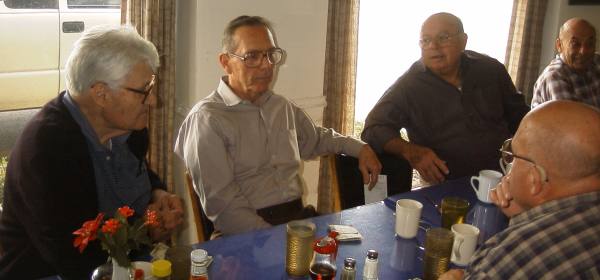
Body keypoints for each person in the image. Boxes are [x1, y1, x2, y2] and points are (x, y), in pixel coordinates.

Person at [0, 25, 184, 279]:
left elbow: (136, 172)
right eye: (144, 90)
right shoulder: (46, 151)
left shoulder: (129, 129)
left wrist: (157, 192)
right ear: (101, 94)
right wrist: (148, 231)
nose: (153, 101)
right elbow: (74, 258)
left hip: (125, 265)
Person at [174, 15, 382, 236]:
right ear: (226, 62)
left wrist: (360, 148)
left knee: (365, 245)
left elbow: (316, 139)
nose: (266, 65)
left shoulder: (280, 106)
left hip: (298, 219)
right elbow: (225, 209)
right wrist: (276, 240)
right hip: (245, 234)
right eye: (252, 56)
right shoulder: (207, 120)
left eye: (270, 55)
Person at [361, 12, 529, 185]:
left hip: (503, 177)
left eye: (443, 37)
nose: (433, 46)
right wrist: (412, 152)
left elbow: (521, 117)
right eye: (425, 40)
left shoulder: (491, 70)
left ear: (463, 41)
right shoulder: (409, 85)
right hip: (444, 185)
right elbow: (374, 128)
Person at [440, 100, 600, 279]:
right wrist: (522, 210)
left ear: (534, 181)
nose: (508, 166)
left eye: (513, 156)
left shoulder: (507, 260)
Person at [531, 18, 600, 109]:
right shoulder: (555, 76)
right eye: (575, 44)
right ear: (559, 45)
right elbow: (575, 121)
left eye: (590, 44)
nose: (583, 51)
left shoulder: (596, 61)